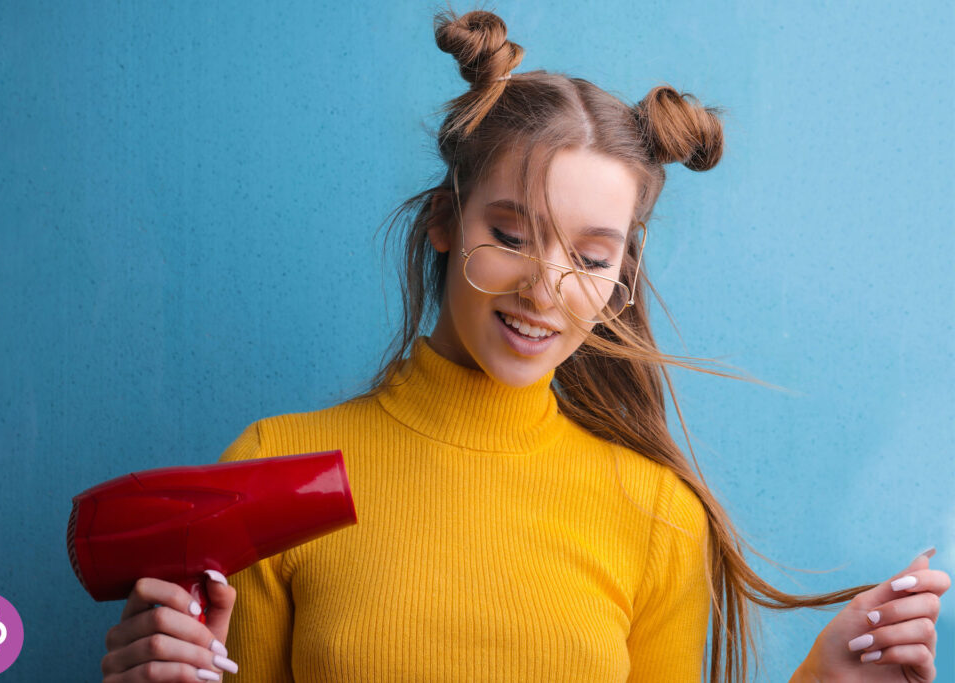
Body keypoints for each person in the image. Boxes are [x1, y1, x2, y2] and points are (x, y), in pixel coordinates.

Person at [99, 8, 950, 683]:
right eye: (511, 234)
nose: (546, 288)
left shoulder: (656, 516)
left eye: (590, 256)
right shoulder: (270, 465)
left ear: (621, 273)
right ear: (444, 219)